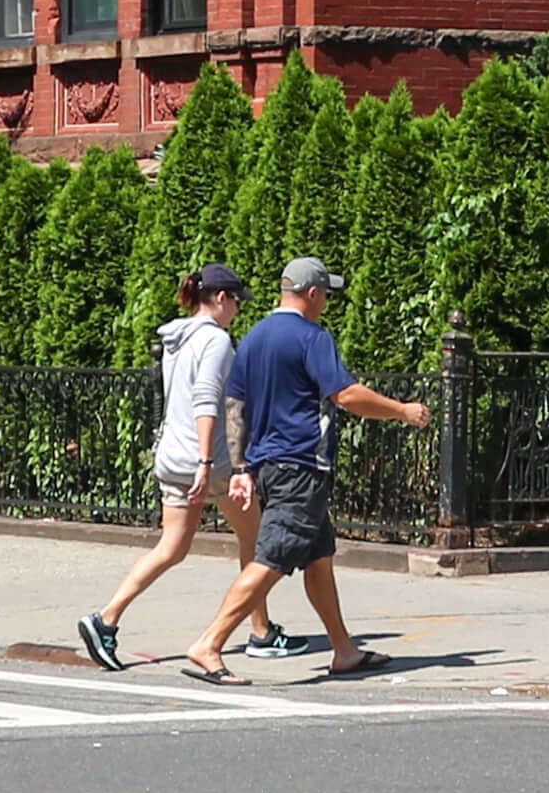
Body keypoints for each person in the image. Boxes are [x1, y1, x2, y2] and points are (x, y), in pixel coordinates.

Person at [182, 255, 427, 684]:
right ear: (312, 293)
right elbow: (346, 395)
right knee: (271, 559)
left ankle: (344, 651)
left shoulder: (254, 337)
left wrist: (242, 467)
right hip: (301, 465)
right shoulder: (312, 338)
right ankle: (210, 643)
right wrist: (402, 410)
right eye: (326, 295)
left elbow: (234, 407)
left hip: (270, 467)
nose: (327, 302)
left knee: (318, 558)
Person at [79, 264, 294, 669]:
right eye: (235, 303)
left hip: (172, 458)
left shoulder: (176, 339)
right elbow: (206, 400)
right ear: (220, 298)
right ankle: (261, 633)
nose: (237, 312)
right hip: (210, 464)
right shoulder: (214, 341)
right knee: (258, 542)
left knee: (171, 548)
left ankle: (105, 620)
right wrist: (207, 461)